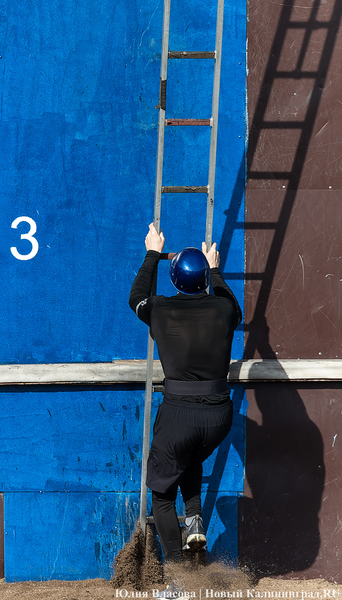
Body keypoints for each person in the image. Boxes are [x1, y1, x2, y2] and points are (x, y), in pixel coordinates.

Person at [128, 223, 242, 598]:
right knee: (190, 458)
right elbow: (232, 303)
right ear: (205, 280)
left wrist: (152, 253)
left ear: (175, 279)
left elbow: (136, 297)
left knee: (162, 494)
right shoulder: (224, 309)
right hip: (219, 415)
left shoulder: (160, 309)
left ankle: (178, 580)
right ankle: (194, 519)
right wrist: (216, 270)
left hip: (179, 414)